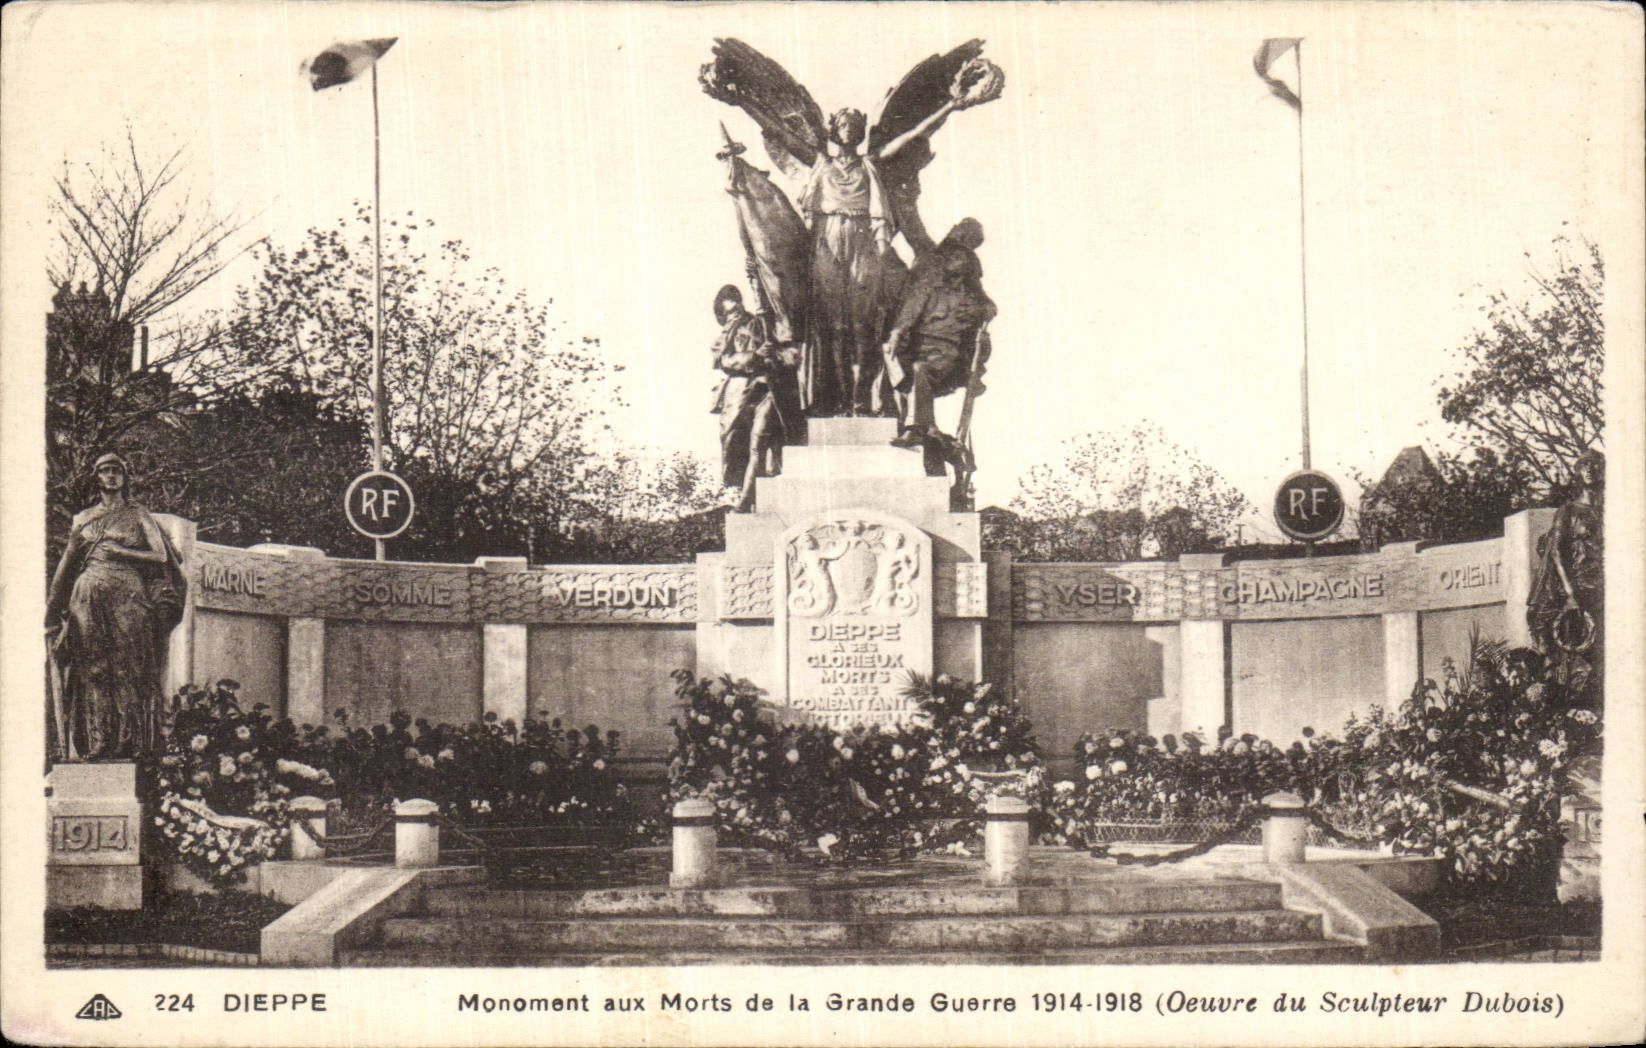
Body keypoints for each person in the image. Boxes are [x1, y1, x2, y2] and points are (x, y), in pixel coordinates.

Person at [46, 452, 184, 760]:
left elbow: (160, 556)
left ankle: (127, 738)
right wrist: (51, 612)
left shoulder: (138, 514)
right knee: (93, 669)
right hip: (88, 595)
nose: (111, 476)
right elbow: (66, 566)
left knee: (127, 667)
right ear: (97, 477)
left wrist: (122, 552)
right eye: (105, 471)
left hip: (128, 594)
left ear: (124, 477)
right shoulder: (83, 518)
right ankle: (99, 740)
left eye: (116, 471)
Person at [883, 246, 997, 450]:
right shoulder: (929, 289)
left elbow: (990, 309)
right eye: (952, 257)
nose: (955, 261)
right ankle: (928, 424)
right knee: (889, 355)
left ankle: (915, 428)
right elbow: (909, 313)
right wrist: (896, 333)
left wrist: (981, 313)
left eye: (961, 258)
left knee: (920, 371)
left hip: (948, 353)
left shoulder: (973, 296)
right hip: (918, 349)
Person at [710, 286, 798, 512]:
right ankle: (744, 493)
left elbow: (790, 353)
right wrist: (756, 356)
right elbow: (724, 360)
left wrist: (776, 356)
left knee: (759, 442)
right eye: (730, 311)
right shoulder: (727, 334)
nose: (735, 312)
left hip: (769, 391)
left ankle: (746, 499)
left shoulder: (763, 322)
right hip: (740, 395)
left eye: (737, 305)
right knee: (734, 443)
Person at [1527, 450, 1604, 705]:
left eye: (1595, 465)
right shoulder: (1568, 511)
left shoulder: (1611, 511)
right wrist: (1571, 594)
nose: (1591, 469)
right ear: (1577, 473)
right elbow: (1557, 553)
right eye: (1585, 466)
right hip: (1581, 589)